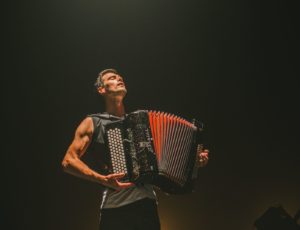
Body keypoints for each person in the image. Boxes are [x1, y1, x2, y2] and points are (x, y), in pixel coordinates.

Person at [61, 68, 209, 230]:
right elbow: (68, 161)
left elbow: (164, 160)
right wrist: (102, 179)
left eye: (120, 76)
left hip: (146, 206)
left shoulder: (141, 124)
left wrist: (193, 162)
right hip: (114, 208)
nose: (119, 78)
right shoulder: (93, 122)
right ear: (101, 89)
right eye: (112, 77)